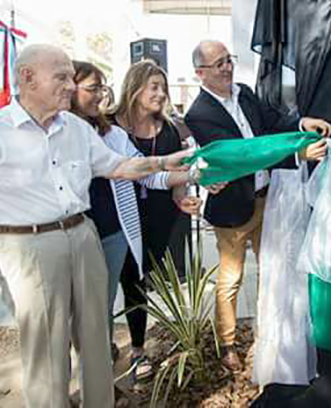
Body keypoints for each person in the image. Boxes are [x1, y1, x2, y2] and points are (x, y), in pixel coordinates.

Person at [0, 44, 193, 408]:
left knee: (95, 338)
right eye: (60, 76)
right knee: (46, 350)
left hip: (83, 236)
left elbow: (120, 166)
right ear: (27, 77)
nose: (69, 85)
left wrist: (166, 161)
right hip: (27, 247)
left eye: (70, 77)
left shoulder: (77, 128)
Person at [185, 39, 331, 371]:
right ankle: (228, 344)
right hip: (232, 212)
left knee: (274, 271)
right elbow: (243, 156)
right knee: (231, 280)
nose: (227, 67)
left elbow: (271, 122)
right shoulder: (199, 114)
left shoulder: (245, 92)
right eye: (219, 63)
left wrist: (300, 123)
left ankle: (270, 336)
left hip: (267, 202)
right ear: (200, 73)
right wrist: (296, 153)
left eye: (228, 59)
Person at [70, 60, 204, 380]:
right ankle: (87, 372)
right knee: (79, 315)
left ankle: (102, 377)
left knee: (107, 302)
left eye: (102, 88)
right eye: (93, 88)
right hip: (70, 234)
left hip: (116, 233)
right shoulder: (57, 130)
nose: (100, 96)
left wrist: (197, 174)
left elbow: (145, 173)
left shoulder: (111, 133)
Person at [109, 60, 218, 376]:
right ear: (134, 86)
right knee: (130, 282)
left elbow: (177, 175)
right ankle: (137, 349)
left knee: (156, 279)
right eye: (153, 87)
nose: (160, 94)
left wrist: (183, 199)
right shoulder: (108, 125)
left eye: (163, 88)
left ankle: (161, 341)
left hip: (163, 215)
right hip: (122, 216)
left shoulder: (169, 128)